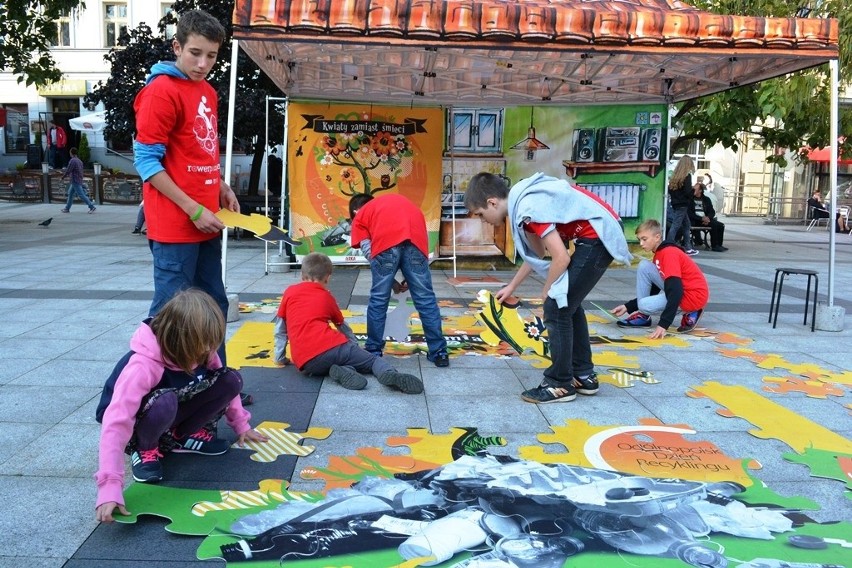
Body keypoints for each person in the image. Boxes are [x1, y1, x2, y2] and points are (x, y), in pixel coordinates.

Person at [93, 289, 268, 523]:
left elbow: (225, 382)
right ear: (180, 339)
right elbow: (116, 422)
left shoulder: (203, 349)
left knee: (230, 379)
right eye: (202, 345)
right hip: (139, 424)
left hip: (171, 409)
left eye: (211, 344)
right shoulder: (142, 366)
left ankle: (182, 436)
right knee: (165, 400)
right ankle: (145, 449)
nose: (208, 351)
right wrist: (110, 486)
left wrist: (242, 426)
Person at [465, 172, 632, 404]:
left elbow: (560, 257)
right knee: (567, 304)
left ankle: (560, 384)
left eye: (482, 215)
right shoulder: (523, 205)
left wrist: (547, 291)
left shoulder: (527, 207)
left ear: (492, 202)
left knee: (556, 305)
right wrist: (512, 286)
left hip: (598, 235)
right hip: (597, 234)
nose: (485, 222)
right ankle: (583, 375)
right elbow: (537, 254)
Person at [133, 9, 238, 366]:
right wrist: (193, 208)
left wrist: (220, 184)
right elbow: (147, 163)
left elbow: (199, 149)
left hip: (206, 221)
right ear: (177, 46)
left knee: (214, 307)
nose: (203, 63)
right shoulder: (160, 91)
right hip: (177, 227)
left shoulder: (207, 90)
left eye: (211, 55)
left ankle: (218, 386)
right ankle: (159, 391)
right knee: (171, 317)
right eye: (195, 52)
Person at [274, 252, 424, 394]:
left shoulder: (289, 292)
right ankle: (389, 374)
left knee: (334, 362)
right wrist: (354, 346)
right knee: (371, 361)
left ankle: (343, 370)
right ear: (327, 278)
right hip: (332, 347)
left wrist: (280, 358)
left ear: (302, 275)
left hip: (307, 363)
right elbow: (342, 326)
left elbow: (280, 329)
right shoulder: (326, 297)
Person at [348, 193, 449, 368]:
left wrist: (389, 282)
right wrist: (413, 275)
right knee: (425, 299)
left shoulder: (361, 216)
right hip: (416, 243)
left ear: (356, 211)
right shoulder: (393, 204)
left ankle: (373, 351)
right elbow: (417, 242)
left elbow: (370, 253)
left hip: (386, 247)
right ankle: (439, 352)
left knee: (379, 300)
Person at [612, 219, 708, 338]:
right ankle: (643, 316)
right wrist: (628, 306)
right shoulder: (660, 253)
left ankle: (693, 310)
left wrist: (664, 324)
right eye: (639, 240)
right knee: (644, 266)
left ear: (657, 237)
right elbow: (654, 288)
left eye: (644, 239)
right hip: (683, 290)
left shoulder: (668, 254)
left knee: (644, 305)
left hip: (692, 297)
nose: (641, 243)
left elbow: (675, 290)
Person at [667, 156, 699, 255]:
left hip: (676, 203)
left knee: (686, 225)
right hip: (683, 204)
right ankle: (668, 244)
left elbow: (670, 190)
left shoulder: (675, 177)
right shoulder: (687, 176)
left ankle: (688, 247)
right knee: (676, 225)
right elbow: (688, 192)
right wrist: (694, 189)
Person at [688, 182, 727, 252]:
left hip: (706, 219)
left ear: (700, 190)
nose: (693, 191)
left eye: (695, 189)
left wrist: (708, 218)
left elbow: (712, 211)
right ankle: (714, 245)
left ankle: (719, 245)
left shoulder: (706, 199)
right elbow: (690, 213)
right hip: (695, 220)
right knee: (714, 225)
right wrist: (701, 219)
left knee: (721, 225)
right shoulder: (690, 199)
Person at [60, 147, 96, 214]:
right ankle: (67, 208)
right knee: (70, 194)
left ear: (71, 153)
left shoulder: (72, 161)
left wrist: (63, 177)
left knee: (81, 195)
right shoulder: (80, 161)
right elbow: (81, 171)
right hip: (78, 179)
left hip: (75, 180)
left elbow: (68, 170)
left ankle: (91, 206)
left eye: (70, 153)